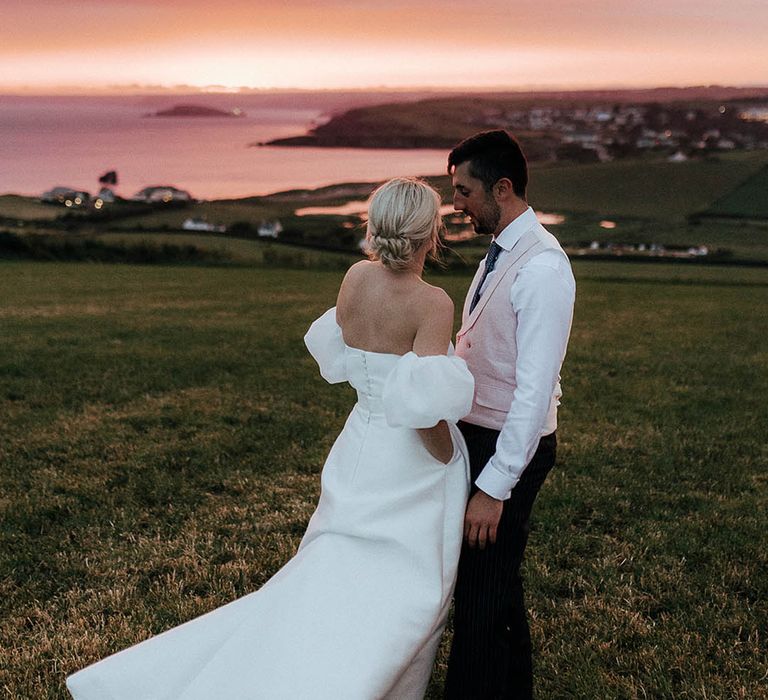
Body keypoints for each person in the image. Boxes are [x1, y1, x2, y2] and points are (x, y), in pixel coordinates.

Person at [65, 177, 475, 700]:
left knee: (333, 567)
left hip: (360, 444)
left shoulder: (355, 278)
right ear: (429, 232)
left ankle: (297, 654)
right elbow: (422, 409)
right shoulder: (432, 302)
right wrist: (448, 462)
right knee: (408, 587)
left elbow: (353, 359)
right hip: (409, 462)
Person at [444, 130, 576, 699]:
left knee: (481, 594)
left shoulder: (543, 268)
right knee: (491, 588)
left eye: (463, 190)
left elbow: (534, 390)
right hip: (479, 436)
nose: (456, 204)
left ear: (502, 187)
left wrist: (494, 488)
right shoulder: (502, 251)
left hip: (508, 447)